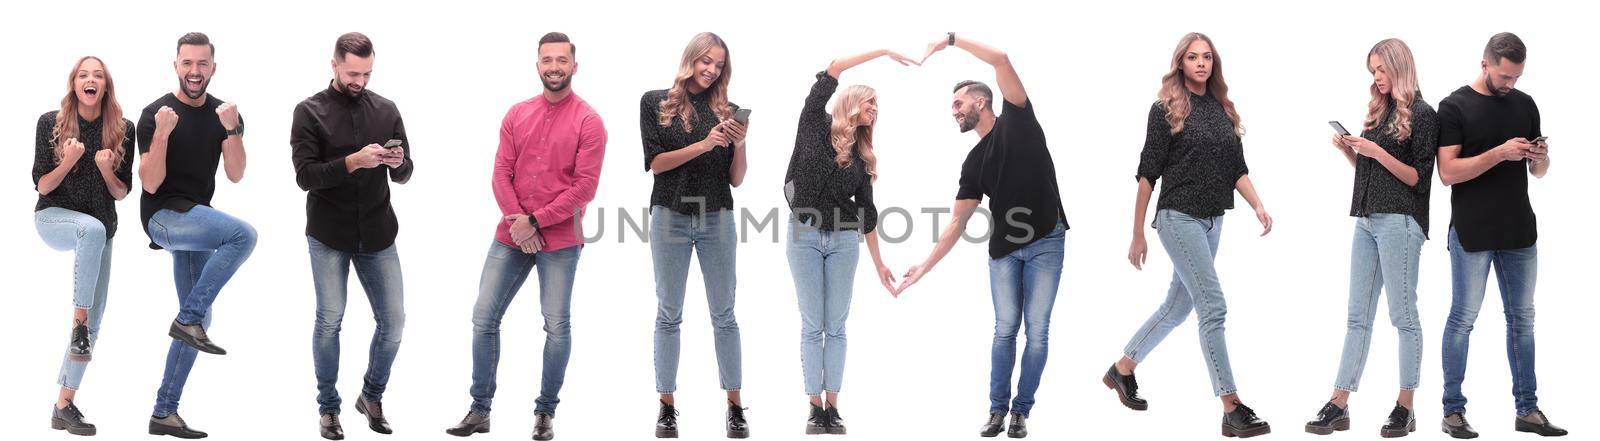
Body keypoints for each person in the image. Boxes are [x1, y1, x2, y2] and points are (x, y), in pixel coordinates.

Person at [896, 33, 1069, 439]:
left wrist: (951, 40)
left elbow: (1003, 59)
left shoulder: (1018, 123)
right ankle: (996, 411)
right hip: (1004, 252)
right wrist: (924, 266)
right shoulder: (973, 161)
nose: (953, 111)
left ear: (981, 101)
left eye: (958, 103)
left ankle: (1021, 412)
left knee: (1037, 331)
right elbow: (957, 223)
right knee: (1004, 329)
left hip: (1047, 240)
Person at [1103, 32, 1272, 438]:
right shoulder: (1165, 109)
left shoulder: (1222, 110)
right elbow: (1148, 173)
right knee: (1212, 305)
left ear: (1214, 64)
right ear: (1181, 63)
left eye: (1207, 57)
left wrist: (1259, 205)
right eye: (1193, 57)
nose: (1201, 63)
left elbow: (1237, 168)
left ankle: (1122, 369)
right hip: (1178, 218)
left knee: (1178, 307)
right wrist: (1137, 232)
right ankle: (1231, 406)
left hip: (1214, 219)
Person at [445, 32, 606, 441]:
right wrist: (519, 220)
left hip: (560, 240)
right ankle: (480, 410)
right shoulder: (516, 113)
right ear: (538, 65)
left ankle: (544, 413)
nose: (554, 66)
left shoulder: (590, 121)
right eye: (547, 60)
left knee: (556, 325)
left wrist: (535, 222)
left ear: (575, 66)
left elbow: (584, 189)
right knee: (484, 317)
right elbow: (501, 171)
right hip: (511, 233)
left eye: (562, 60)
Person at [1302, 38, 1436, 439]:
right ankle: (1339, 403)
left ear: (1400, 67)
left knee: (1403, 317)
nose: (1377, 77)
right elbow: (1371, 172)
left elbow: (1418, 179)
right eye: (1373, 71)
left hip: (1402, 223)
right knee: (1356, 316)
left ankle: (1405, 407)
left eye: (1382, 69)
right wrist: (1352, 151)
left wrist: (1375, 153)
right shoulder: (1380, 114)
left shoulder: (1425, 114)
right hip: (1366, 220)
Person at [1435, 32, 1565, 439]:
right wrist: (1498, 154)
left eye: (1517, 77)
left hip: (1519, 232)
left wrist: (1540, 158)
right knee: (1462, 320)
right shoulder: (1454, 106)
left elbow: (1538, 173)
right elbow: (1447, 173)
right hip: (1472, 232)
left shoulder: (1525, 104)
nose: (1511, 84)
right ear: (1485, 63)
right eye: (1505, 76)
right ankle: (1452, 411)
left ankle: (1527, 410)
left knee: (1522, 321)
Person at [782, 48, 916, 435]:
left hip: (844, 240)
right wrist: (885, 51)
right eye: (870, 101)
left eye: (878, 104)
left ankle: (833, 408)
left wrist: (879, 264)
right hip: (804, 234)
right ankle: (813, 407)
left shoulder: (863, 154)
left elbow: (867, 215)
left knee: (836, 326)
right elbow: (834, 67)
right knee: (812, 324)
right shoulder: (814, 123)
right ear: (852, 102)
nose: (875, 109)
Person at [290, 32, 413, 440]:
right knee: (330, 321)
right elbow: (305, 176)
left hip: (379, 231)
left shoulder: (387, 109)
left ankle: (372, 395)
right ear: (334, 65)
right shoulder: (309, 111)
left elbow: (406, 171)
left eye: (367, 73)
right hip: (329, 233)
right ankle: (328, 408)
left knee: (393, 322)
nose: (360, 80)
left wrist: (397, 162)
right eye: (353, 72)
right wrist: (352, 162)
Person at [138, 32, 257, 439]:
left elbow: (237, 174)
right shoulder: (155, 112)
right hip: (165, 218)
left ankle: (163, 413)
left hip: (198, 223)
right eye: (187, 63)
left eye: (202, 64)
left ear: (213, 68)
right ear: (176, 65)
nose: (194, 71)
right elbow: (150, 185)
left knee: (200, 317)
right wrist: (163, 133)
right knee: (243, 235)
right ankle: (186, 320)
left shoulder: (224, 114)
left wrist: (232, 130)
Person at [639, 32, 750, 439]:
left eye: (719, 65)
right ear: (690, 59)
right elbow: (656, 163)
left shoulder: (730, 110)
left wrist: (739, 144)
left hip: (717, 216)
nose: (711, 70)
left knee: (725, 314)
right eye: (706, 61)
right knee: (669, 313)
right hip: (669, 214)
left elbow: (736, 179)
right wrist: (705, 144)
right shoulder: (655, 102)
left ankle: (735, 407)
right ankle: (666, 407)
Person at [34, 55, 135, 437]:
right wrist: (69, 160)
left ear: (105, 86)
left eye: (98, 76)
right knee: (90, 230)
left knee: (97, 320)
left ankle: (63, 405)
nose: (90, 80)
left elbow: (122, 192)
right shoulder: (51, 123)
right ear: (74, 83)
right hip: (54, 218)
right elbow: (42, 186)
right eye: (83, 75)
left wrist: (107, 168)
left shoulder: (122, 128)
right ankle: (78, 322)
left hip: (101, 228)